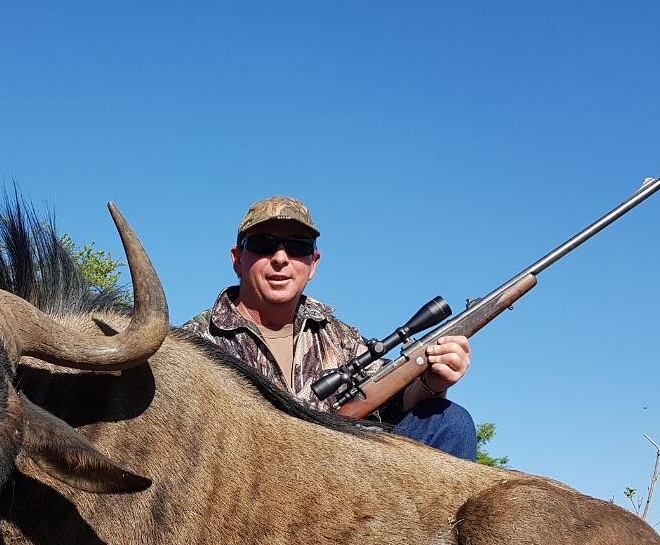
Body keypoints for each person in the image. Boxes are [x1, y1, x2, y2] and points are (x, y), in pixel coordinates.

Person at [183, 196, 477, 459]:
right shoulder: (195, 344)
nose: (281, 259)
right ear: (237, 259)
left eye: (298, 247)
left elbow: (397, 403)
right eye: (264, 245)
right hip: (245, 495)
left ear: (313, 264)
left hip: (338, 491)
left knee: (449, 421)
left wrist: (431, 382)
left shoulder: (342, 339)